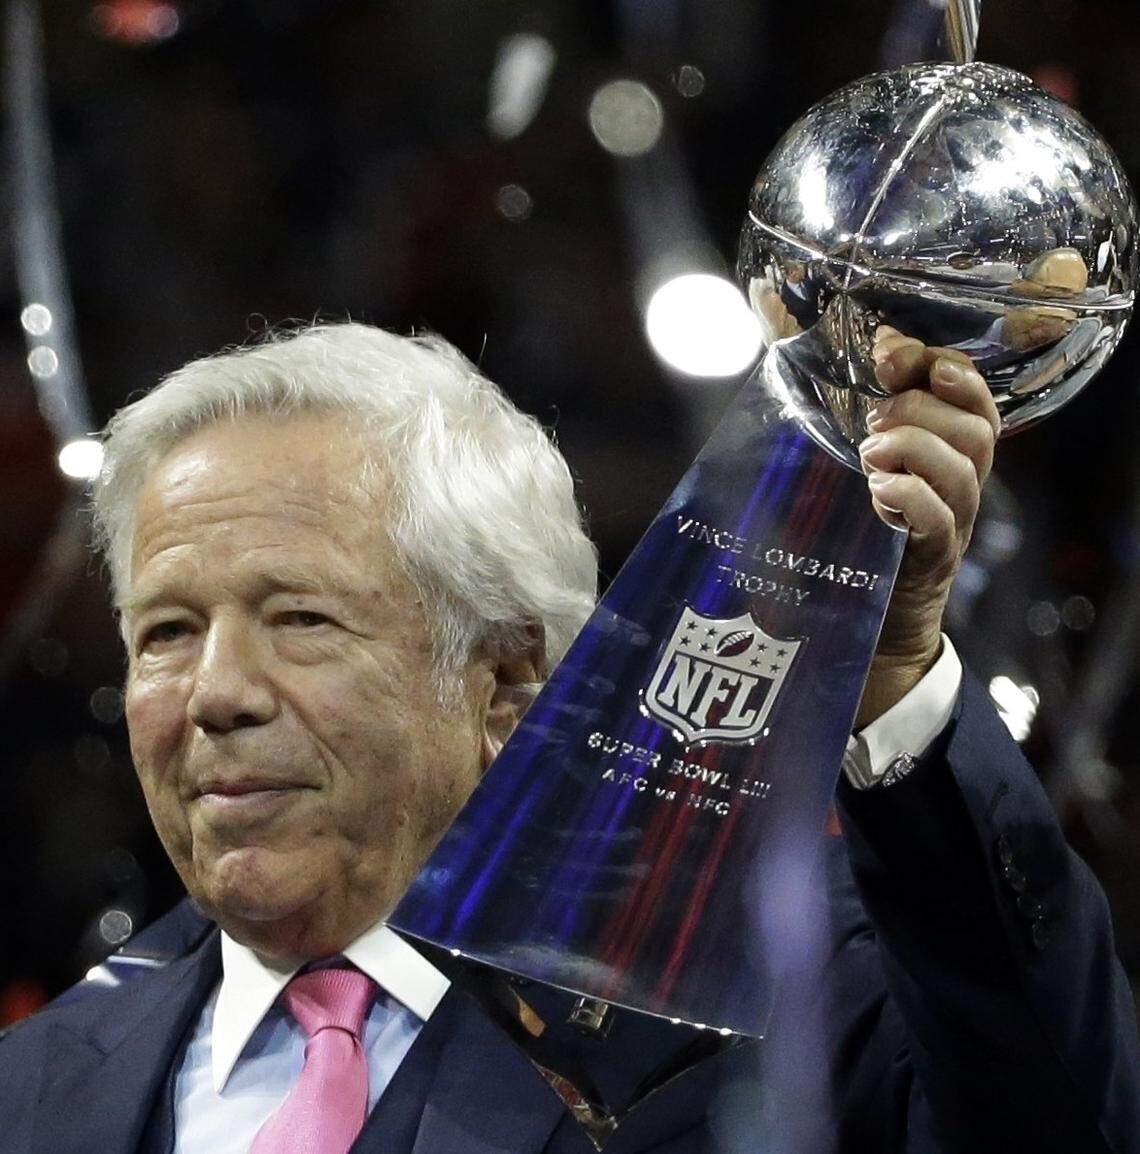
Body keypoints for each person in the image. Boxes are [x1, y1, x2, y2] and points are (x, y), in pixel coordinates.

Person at [0, 322, 1136, 1154]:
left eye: (301, 618)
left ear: (506, 681)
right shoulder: (32, 1086)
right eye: (166, 632)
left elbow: (1054, 1116)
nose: (216, 691)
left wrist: (891, 683)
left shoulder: (775, 1000)